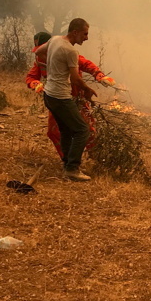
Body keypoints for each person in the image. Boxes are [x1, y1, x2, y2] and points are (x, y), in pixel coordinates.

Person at [25, 31, 115, 161]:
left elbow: (85, 64)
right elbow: (31, 77)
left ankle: (98, 158)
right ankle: (67, 160)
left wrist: (100, 76)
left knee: (87, 129)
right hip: (58, 98)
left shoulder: (65, 52)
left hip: (76, 97)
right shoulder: (40, 59)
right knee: (54, 132)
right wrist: (35, 84)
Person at [36, 18, 98, 181]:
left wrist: (51, 68)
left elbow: (38, 52)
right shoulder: (71, 51)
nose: (86, 38)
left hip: (48, 94)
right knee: (82, 130)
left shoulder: (55, 39)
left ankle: (67, 164)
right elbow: (75, 79)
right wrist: (87, 89)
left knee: (65, 130)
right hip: (60, 97)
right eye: (85, 34)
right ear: (75, 32)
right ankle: (72, 168)